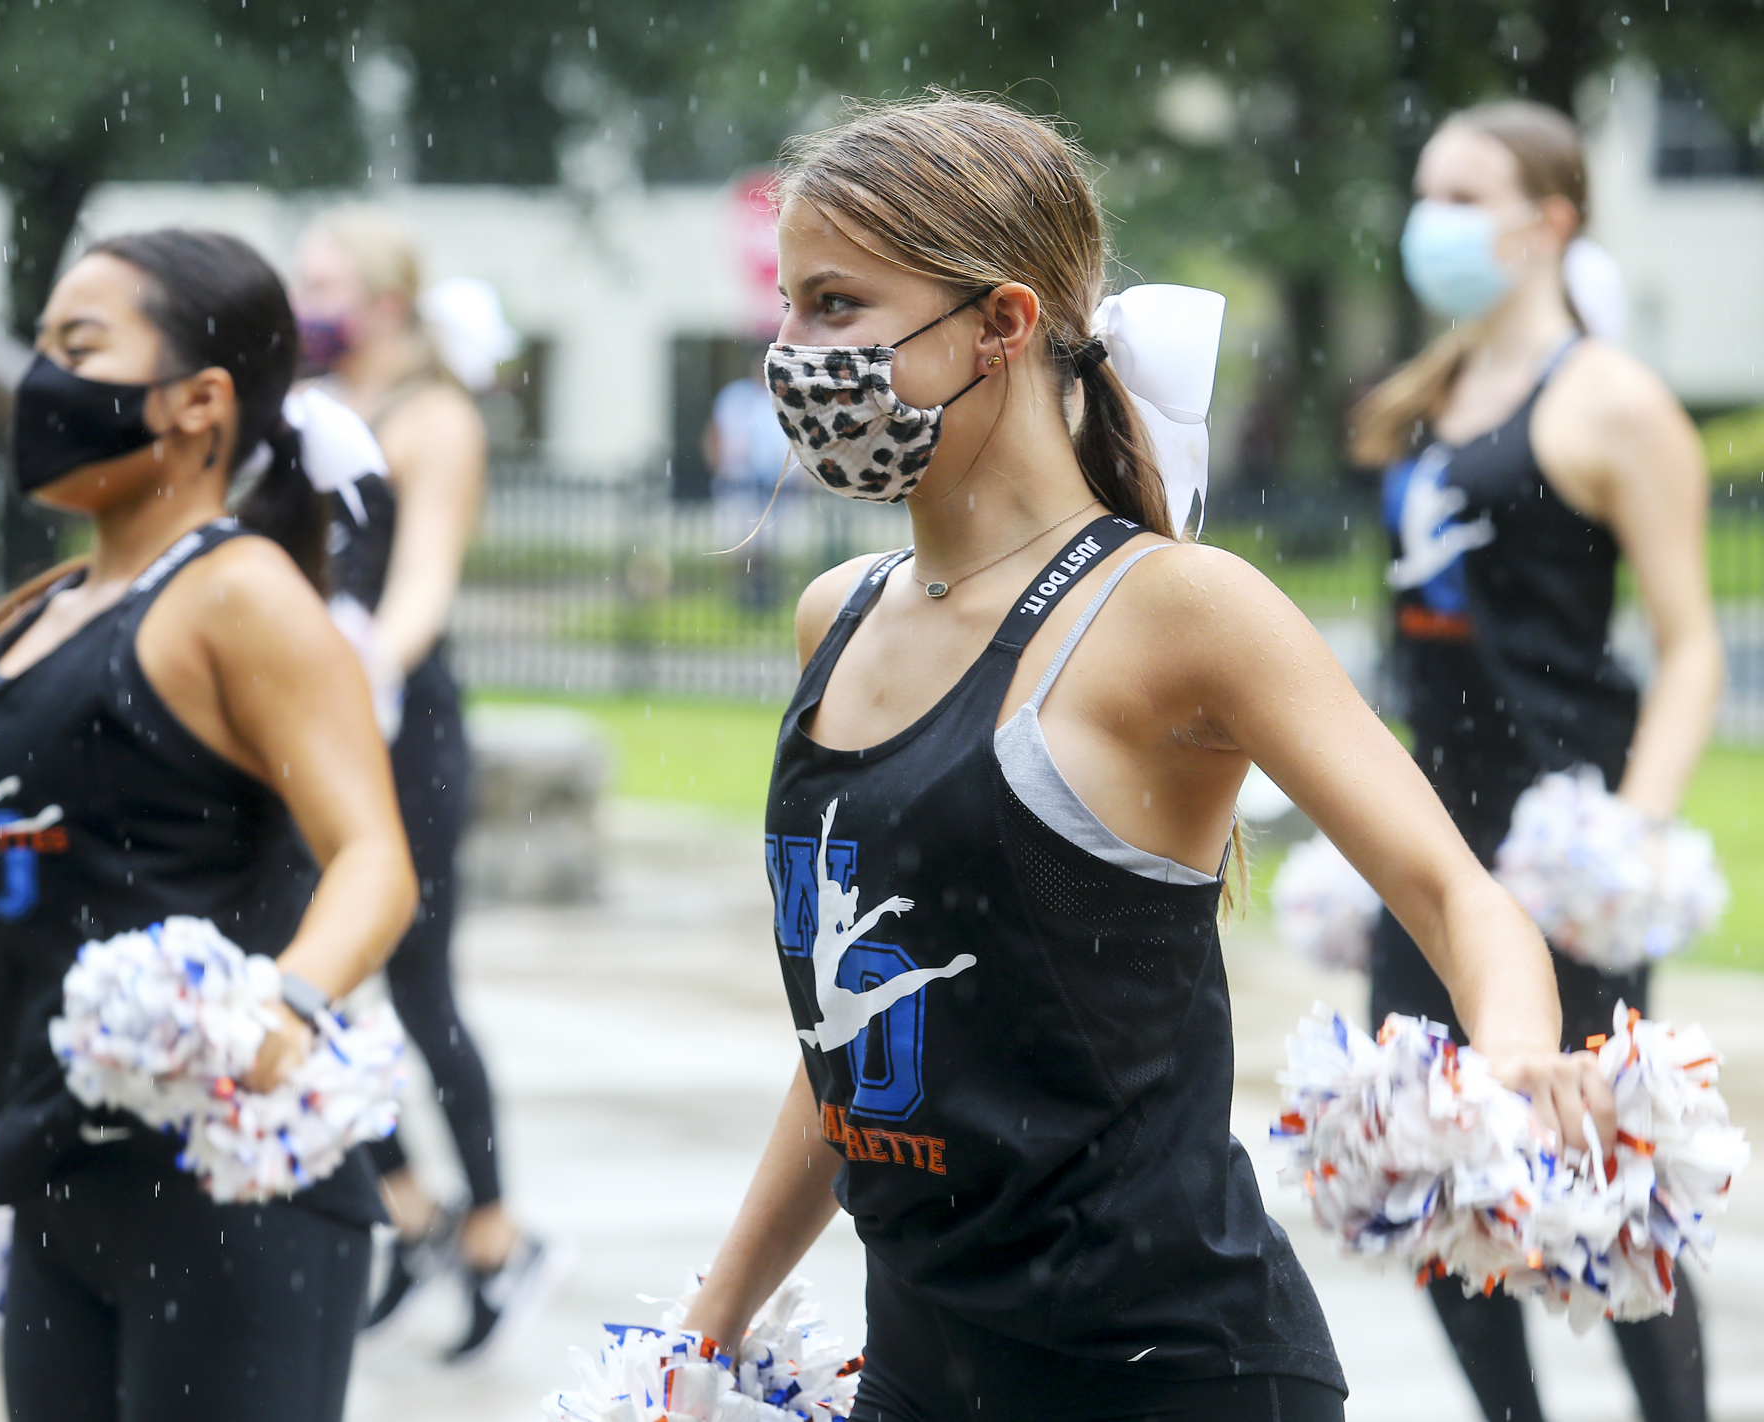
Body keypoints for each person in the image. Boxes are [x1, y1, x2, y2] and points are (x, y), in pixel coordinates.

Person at [678, 95, 1621, 1422]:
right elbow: (856, 1045)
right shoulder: (834, 617)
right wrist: (704, 1332)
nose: (794, 353)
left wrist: (1513, 1059)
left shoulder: (1178, 610)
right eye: (790, 307)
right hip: (919, 1377)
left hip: (1173, 1375)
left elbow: (1454, 892)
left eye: (837, 306)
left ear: (1001, 325)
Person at [0, 228, 419, 1420]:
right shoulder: (50, 607)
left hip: (226, 1190)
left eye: (79, 345)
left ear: (198, 401)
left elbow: (374, 859)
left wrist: (281, 1007)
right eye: (42, 345)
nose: (42, 379)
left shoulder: (237, 592)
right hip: (61, 1175)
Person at [1352, 101, 1723, 1422]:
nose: (1431, 222)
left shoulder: (1613, 400)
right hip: (1430, 836)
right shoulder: (1424, 399)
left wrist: (1623, 842)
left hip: (1559, 840)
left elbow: (1689, 646)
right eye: (1425, 193)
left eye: (1464, 197)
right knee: (1431, 1166)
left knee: (1604, 1185)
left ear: (1548, 220)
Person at [291, 204, 559, 1360]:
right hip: (313, 721)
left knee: (417, 986)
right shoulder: (312, 404)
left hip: (398, 728)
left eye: (321, 284)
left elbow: (418, 585)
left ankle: (496, 1234)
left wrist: (357, 680)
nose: (302, 304)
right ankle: (407, 1211)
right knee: (306, 983)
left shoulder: (433, 416)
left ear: (386, 301)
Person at [703, 364, 795, 610]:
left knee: (772, 544)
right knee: (740, 543)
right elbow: (715, 434)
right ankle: (741, 595)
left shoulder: (787, 398)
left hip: (777, 486)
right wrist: (721, 468)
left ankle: (768, 595)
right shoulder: (736, 397)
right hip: (739, 483)